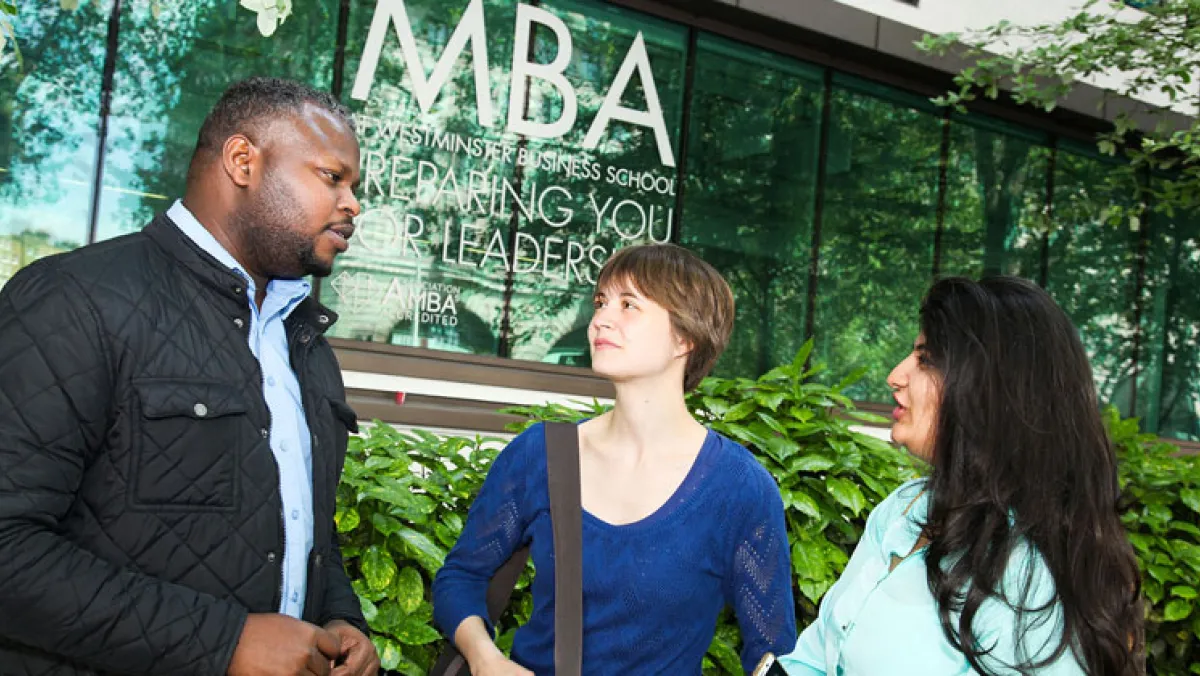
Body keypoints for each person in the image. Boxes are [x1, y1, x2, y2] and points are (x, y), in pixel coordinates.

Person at [0, 77, 380, 676]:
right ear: (241, 162)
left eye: (354, 186)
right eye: (332, 177)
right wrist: (225, 642)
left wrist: (341, 618)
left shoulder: (303, 341)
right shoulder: (73, 299)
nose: (353, 203)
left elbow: (303, 528)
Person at [432, 243, 797, 675]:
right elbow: (461, 578)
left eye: (629, 305)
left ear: (684, 337)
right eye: (602, 302)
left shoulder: (739, 488)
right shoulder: (541, 455)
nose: (601, 319)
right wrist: (486, 658)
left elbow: (772, 651)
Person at [778, 276, 1144, 676]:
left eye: (926, 358)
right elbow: (815, 656)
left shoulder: (1030, 576)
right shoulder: (905, 508)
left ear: (995, 389)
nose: (895, 375)